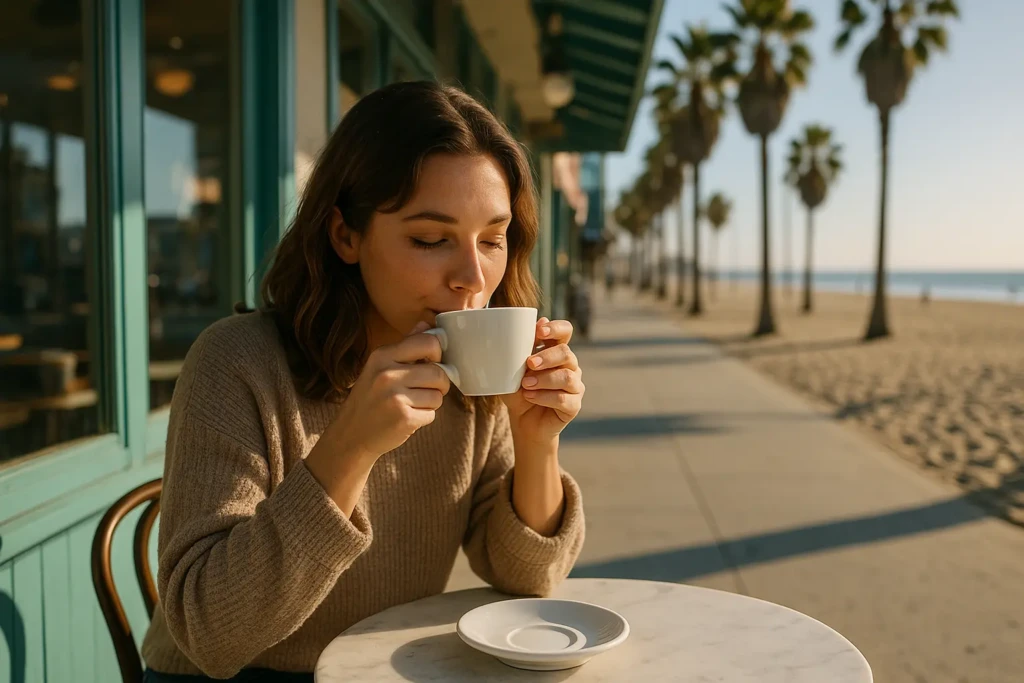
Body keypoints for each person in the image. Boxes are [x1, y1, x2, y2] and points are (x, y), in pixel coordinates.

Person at [140, 81, 587, 682]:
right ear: (345, 235)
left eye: (492, 239)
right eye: (431, 239)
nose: (472, 277)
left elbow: (526, 578)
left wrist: (537, 442)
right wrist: (350, 447)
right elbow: (211, 635)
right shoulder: (237, 363)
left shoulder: (469, 375)